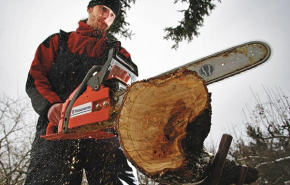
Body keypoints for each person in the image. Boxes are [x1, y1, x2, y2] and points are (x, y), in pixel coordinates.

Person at [25, 0, 137, 184]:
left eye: (112, 15)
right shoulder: (57, 42)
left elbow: (128, 85)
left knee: (118, 177)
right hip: (59, 126)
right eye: (103, 9)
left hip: (103, 129)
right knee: (48, 177)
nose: (106, 16)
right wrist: (51, 105)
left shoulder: (117, 52)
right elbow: (36, 78)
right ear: (90, 8)